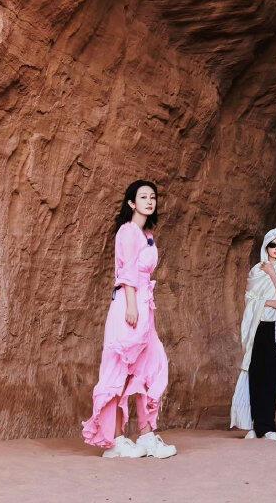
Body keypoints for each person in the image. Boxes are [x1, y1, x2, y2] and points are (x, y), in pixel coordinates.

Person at [81, 180, 176, 459]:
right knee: (120, 369)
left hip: (145, 304)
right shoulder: (127, 231)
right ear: (131, 203)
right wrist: (132, 306)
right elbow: (127, 271)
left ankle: (146, 435)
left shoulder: (147, 234)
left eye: (152, 197)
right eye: (143, 197)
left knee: (149, 366)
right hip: (128, 303)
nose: (149, 201)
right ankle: (114, 440)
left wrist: (142, 307)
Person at [230, 227, 276, 440]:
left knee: (273, 375)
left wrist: (272, 273)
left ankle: (268, 426)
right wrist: (268, 302)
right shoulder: (256, 270)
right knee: (255, 374)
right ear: (266, 246)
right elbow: (249, 299)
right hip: (257, 326)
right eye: (272, 245)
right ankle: (255, 425)